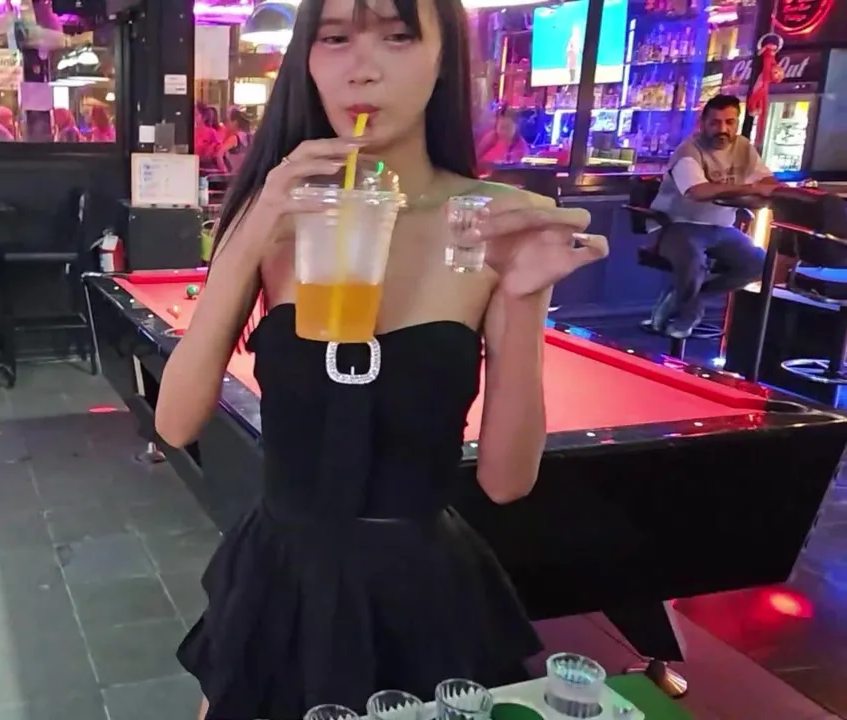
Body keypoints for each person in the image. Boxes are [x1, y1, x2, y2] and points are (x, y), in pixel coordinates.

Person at [155, 0, 607, 717]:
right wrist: (252, 227)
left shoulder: (487, 221)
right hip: (278, 583)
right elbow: (176, 423)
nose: (362, 68)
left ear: (442, 55)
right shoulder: (280, 215)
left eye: (398, 37)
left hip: (419, 592)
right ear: (307, 60)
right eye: (335, 38)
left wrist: (525, 299)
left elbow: (506, 481)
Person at [646, 94, 774, 338]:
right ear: (702, 123)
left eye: (729, 122)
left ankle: (692, 298)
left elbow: (767, 181)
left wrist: (772, 190)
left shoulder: (743, 148)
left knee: (761, 263)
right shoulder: (688, 151)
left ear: (737, 123)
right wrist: (749, 189)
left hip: (722, 227)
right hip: (675, 224)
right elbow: (697, 192)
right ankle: (686, 317)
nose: (722, 129)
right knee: (694, 262)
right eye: (715, 122)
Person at [219, 106, 252, 174]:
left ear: (235, 122)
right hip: (247, 173)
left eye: (228, 121)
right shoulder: (250, 137)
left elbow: (219, 154)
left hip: (235, 175)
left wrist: (225, 171)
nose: (227, 124)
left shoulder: (234, 138)